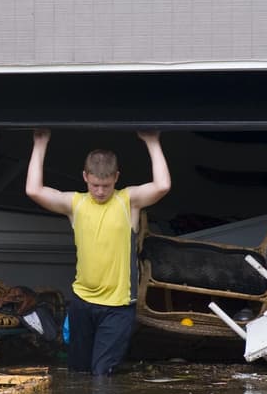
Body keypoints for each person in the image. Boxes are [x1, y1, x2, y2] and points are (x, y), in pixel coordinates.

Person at [25, 129, 170, 375]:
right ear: (85, 177)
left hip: (118, 306)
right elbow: (34, 191)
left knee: (103, 372)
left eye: (106, 185)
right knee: (78, 372)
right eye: (95, 185)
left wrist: (152, 142)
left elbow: (163, 185)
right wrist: (40, 143)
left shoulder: (128, 201)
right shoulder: (75, 203)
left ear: (116, 177)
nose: (100, 191)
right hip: (82, 302)